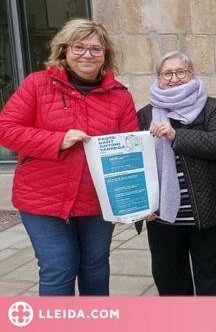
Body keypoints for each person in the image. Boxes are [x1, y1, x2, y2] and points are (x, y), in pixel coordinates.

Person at [0, 19, 138, 296]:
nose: (87, 54)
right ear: (64, 51)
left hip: (97, 201)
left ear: (105, 56)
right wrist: (56, 140)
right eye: (79, 46)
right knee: (59, 266)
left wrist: (133, 200)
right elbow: (6, 129)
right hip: (43, 199)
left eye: (96, 49)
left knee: (95, 266)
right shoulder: (37, 85)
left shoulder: (119, 96)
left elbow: (130, 149)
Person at [137, 51, 216, 296]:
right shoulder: (146, 114)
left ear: (191, 74)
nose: (174, 78)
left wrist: (177, 135)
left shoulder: (210, 106)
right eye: (168, 73)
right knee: (170, 279)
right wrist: (139, 207)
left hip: (210, 210)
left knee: (214, 279)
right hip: (164, 216)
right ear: (158, 77)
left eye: (181, 72)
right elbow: (137, 163)